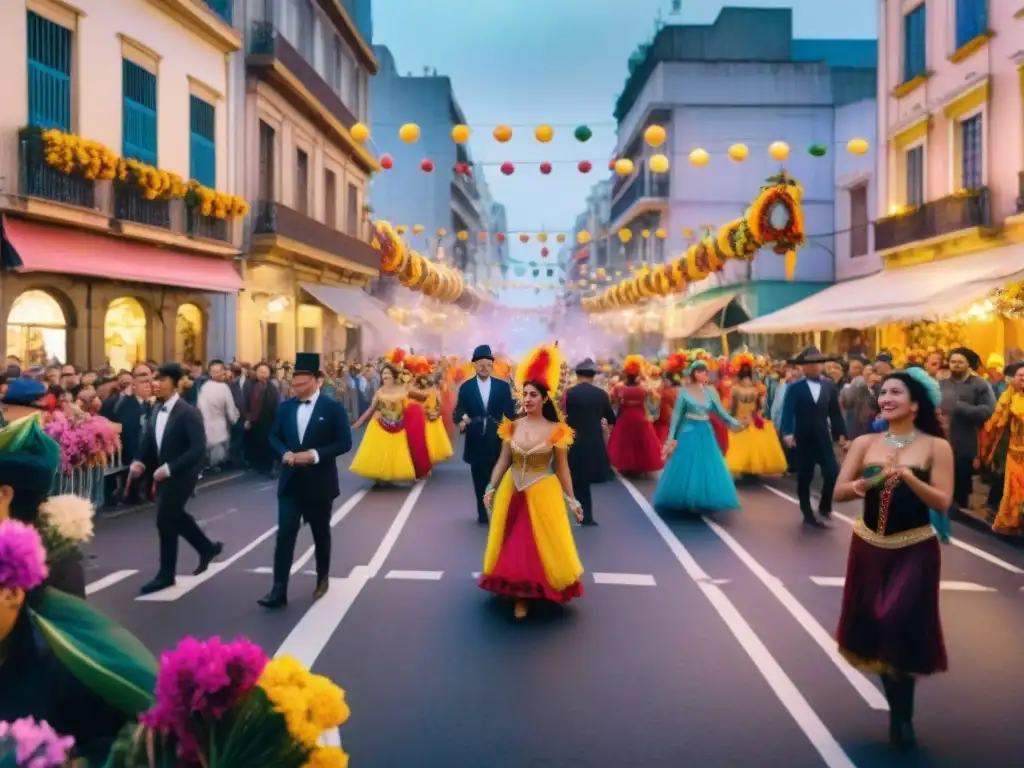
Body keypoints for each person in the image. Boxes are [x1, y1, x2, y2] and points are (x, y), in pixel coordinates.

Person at [833, 368, 952, 750]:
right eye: (883, 392)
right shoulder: (865, 442)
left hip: (915, 547)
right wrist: (863, 484)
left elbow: (943, 502)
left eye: (896, 392)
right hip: (868, 546)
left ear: (916, 404)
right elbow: (837, 493)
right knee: (876, 627)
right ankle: (899, 714)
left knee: (897, 619)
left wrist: (908, 478)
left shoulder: (936, 447)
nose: (885, 398)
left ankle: (903, 716)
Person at [479, 343, 584, 619]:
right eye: (524, 394)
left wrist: (572, 500)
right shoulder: (511, 426)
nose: (527, 399)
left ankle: (528, 595)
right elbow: (503, 460)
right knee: (512, 542)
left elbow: (563, 471)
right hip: (511, 491)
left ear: (544, 399)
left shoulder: (557, 431)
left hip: (542, 492)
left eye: (533, 395)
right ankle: (517, 594)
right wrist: (491, 486)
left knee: (535, 545)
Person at [259, 353, 352, 609]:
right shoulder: (286, 407)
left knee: (320, 532)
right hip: (290, 483)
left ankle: (322, 576)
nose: (296, 388)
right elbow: (274, 437)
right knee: (285, 534)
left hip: (319, 483)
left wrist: (313, 455)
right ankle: (278, 589)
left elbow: (344, 442)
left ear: (316, 381)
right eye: (294, 384)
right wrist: (285, 453)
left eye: (301, 384)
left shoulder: (332, 408)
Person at [130, 363, 223, 595]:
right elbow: (149, 440)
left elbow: (197, 449)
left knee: (165, 519)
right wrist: (139, 460)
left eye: (161, 379)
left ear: (175, 383)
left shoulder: (188, 412)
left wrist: (170, 468)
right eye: (153, 379)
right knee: (174, 517)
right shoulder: (155, 409)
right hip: (162, 473)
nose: (155, 383)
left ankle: (166, 575)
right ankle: (206, 548)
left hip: (182, 474)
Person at [653, 359, 743, 513]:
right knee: (688, 465)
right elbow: (676, 417)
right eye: (700, 371)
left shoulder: (711, 392)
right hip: (688, 432)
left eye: (705, 371)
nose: (704, 374)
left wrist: (736, 423)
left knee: (707, 465)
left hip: (706, 432)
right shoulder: (683, 392)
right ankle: (687, 498)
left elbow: (720, 412)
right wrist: (670, 439)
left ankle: (704, 498)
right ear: (694, 373)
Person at [780, 346, 848, 527]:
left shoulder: (829, 386)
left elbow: (835, 413)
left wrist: (841, 434)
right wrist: (787, 433)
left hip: (822, 436)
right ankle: (807, 511)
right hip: (802, 438)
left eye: (818, 363)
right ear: (803, 367)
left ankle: (825, 506)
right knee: (805, 476)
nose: (815, 367)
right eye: (810, 364)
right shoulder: (795, 388)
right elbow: (787, 412)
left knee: (832, 472)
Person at [454, 344, 517, 523]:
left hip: (497, 439)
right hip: (475, 438)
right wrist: (464, 419)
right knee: (479, 477)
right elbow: (458, 411)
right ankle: (482, 512)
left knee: (497, 475)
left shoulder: (502, 387)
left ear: (492, 365)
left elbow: (510, 414)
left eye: (488, 364)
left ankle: (497, 508)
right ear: (474, 365)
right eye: (481, 364)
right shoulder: (466, 387)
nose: (484, 367)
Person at [350, 356, 419, 484]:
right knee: (380, 451)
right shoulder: (379, 392)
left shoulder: (404, 390)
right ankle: (379, 476)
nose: (384, 376)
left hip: (399, 424)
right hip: (381, 425)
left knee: (400, 450)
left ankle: (409, 473)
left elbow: (417, 400)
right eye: (383, 374)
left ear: (394, 376)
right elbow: (371, 409)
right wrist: (359, 422)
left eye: (387, 373)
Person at [563, 357, 615, 525]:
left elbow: (560, 417)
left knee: (576, 480)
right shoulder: (601, 394)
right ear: (593, 376)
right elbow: (611, 418)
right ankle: (587, 516)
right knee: (586, 482)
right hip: (594, 442)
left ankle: (573, 512)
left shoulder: (568, 394)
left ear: (577, 375)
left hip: (573, 442)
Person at [725, 353, 789, 477]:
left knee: (738, 449)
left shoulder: (734, 389)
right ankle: (753, 471)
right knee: (756, 448)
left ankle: (742, 471)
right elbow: (760, 407)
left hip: (738, 421)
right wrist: (757, 418)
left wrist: (729, 419)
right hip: (752, 420)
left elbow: (731, 408)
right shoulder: (757, 388)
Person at [606, 355, 664, 475]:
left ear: (626, 373)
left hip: (625, 419)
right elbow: (656, 398)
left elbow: (614, 403)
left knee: (626, 444)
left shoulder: (619, 387)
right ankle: (641, 467)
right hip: (641, 418)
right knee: (642, 444)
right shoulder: (644, 387)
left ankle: (628, 467)